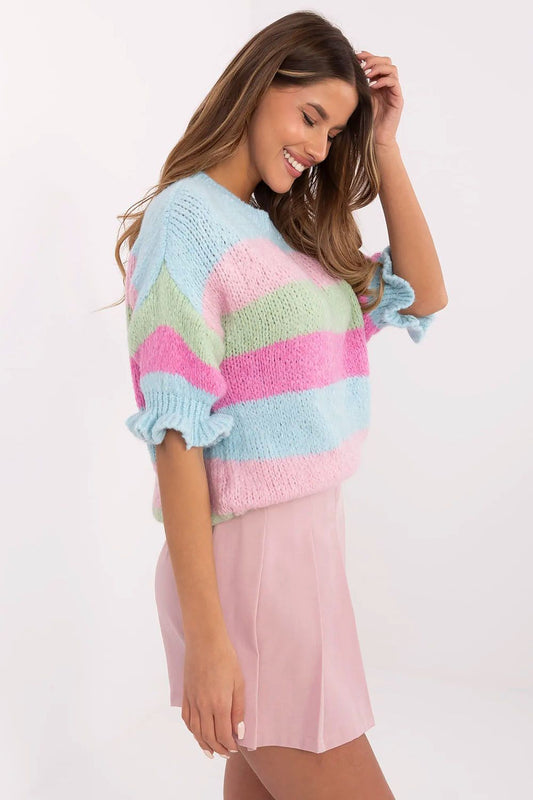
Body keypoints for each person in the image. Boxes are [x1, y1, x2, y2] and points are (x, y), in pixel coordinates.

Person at [114, 10, 447, 799]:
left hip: (307, 559)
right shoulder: (186, 219)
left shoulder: (283, 236)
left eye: (334, 132)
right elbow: (176, 431)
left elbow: (422, 295)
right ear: (259, 85)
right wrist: (208, 640)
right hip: (252, 571)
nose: (319, 147)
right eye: (310, 116)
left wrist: (384, 147)